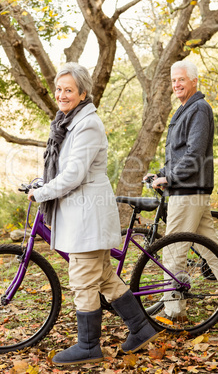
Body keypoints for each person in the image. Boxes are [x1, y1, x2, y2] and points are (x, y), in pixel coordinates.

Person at [28, 62, 158, 366]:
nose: (61, 95)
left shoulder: (87, 124)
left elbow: (73, 174)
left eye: (69, 90)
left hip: (86, 213)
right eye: (59, 89)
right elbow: (63, 167)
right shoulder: (67, 122)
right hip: (82, 212)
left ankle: (88, 346)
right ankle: (141, 328)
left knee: (84, 280)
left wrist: (43, 192)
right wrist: (42, 182)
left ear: (83, 93)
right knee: (102, 275)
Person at [144, 59, 218, 321]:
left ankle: (172, 311)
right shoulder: (184, 109)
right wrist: (160, 173)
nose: (176, 84)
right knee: (210, 247)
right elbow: (181, 154)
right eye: (173, 80)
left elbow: (195, 154)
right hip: (189, 189)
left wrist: (169, 178)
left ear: (194, 80)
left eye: (181, 79)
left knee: (173, 250)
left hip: (188, 191)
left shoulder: (199, 108)